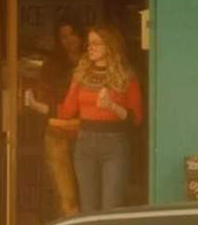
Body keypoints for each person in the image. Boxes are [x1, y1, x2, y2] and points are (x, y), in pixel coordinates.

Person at [57, 24, 143, 213]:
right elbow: (67, 111)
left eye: (96, 43)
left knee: (111, 207)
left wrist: (111, 106)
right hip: (85, 143)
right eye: (89, 43)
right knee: (88, 208)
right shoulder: (81, 74)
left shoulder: (126, 76)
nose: (90, 48)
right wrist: (39, 104)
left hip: (115, 144)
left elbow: (136, 118)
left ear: (110, 46)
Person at [24, 18, 85, 218]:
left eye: (72, 35)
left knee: (88, 193)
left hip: (86, 132)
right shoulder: (52, 65)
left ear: (81, 35)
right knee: (65, 194)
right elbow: (44, 96)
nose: (68, 40)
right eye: (63, 37)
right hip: (58, 131)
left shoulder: (92, 61)